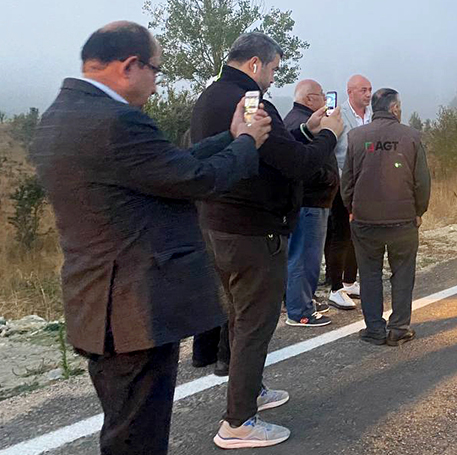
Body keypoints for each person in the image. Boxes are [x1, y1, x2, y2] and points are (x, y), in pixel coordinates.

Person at [29, 21, 271, 455]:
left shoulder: (62, 114)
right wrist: (248, 144)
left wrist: (230, 137)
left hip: (97, 300)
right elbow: (197, 180)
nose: (157, 85)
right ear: (129, 66)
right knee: (138, 435)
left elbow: (169, 167)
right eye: (156, 71)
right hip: (135, 306)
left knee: (125, 425)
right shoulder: (116, 122)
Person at [190, 32, 343, 449]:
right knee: (255, 323)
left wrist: (307, 130)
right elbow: (296, 165)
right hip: (252, 230)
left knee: (240, 317)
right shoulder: (249, 100)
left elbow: (273, 150)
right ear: (255, 63)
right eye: (273, 69)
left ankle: (251, 391)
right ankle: (238, 422)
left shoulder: (210, 97)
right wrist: (329, 134)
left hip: (216, 225)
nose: (274, 78)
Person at [342, 88, 431, 346]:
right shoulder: (412, 136)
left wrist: (351, 208)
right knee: (402, 273)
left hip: (365, 220)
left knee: (369, 274)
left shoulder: (356, 137)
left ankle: (374, 329)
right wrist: (419, 211)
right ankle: (399, 328)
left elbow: (347, 181)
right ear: (394, 108)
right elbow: (422, 182)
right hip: (403, 220)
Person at [283, 79, 341, 327]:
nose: (326, 101)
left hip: (313, 201)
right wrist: (328, 177)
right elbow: (300, 163)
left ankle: (302, 299)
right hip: (309, 201)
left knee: (305, 255)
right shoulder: (299, 122)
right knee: (304, 256)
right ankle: (300, 311)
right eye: (321, 95)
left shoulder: (301, 120)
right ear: (309, 98)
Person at [326, 74, 373, 310]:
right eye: (363, 90)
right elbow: (332, 151)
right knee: (341, 235)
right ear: (350, 91)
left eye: (370, 89)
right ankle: (335, 287)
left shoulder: (372, 115)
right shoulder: (338, 115)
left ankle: (350, 280)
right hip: (343, 183)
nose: (368, 94)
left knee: (358, 234)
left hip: (366, 184)